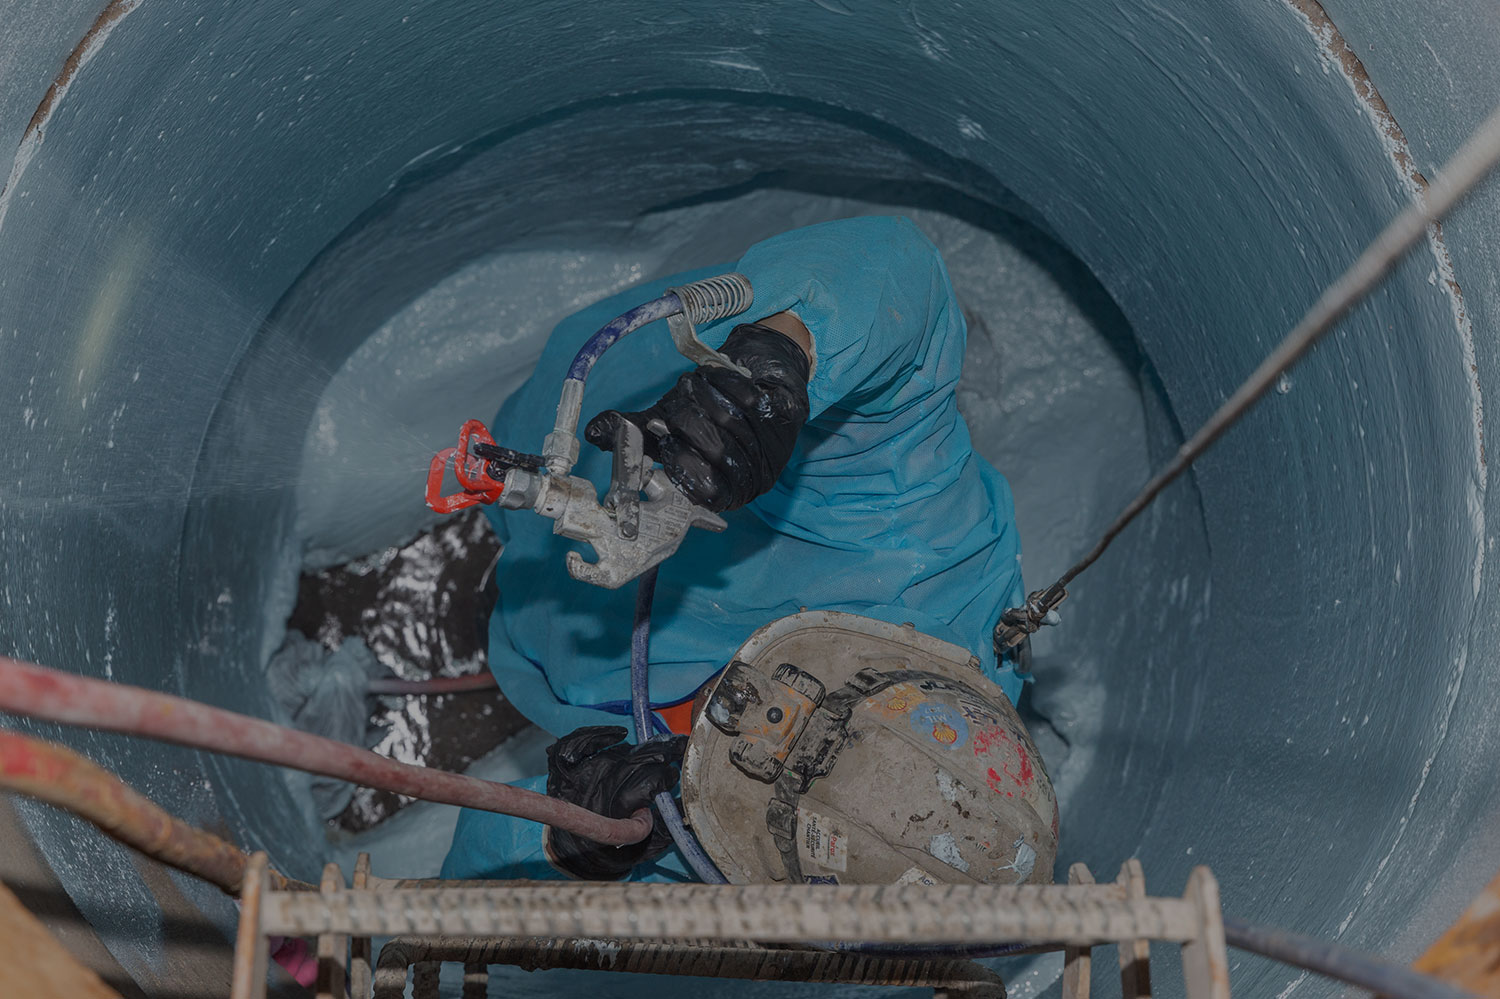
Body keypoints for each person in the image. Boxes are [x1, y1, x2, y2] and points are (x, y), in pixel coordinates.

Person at [441, 215, 1026, 882]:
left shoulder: (731, 853)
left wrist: (567, 846)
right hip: (612, 418)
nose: (770, 731)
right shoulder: (911, 560)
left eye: (786, 781)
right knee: (526, 447)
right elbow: (902, 278)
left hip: (557, 622)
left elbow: (471, 892)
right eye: (826, 720)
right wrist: (782, 357)